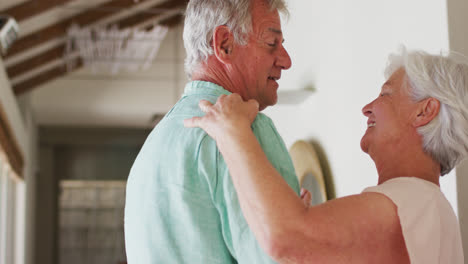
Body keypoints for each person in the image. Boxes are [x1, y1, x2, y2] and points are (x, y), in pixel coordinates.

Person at [184, 48, 467, 263]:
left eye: (386, 95)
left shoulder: (414, 201)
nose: (367, 108)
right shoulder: (429, 207)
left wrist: (233, 133)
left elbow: (284, 239)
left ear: (424, 111)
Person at [124, 0, 300, 263]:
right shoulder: (245, 129)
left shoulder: (153, 147)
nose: (286, 61)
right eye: (272, 44)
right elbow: (289, 257)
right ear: (225, 44)